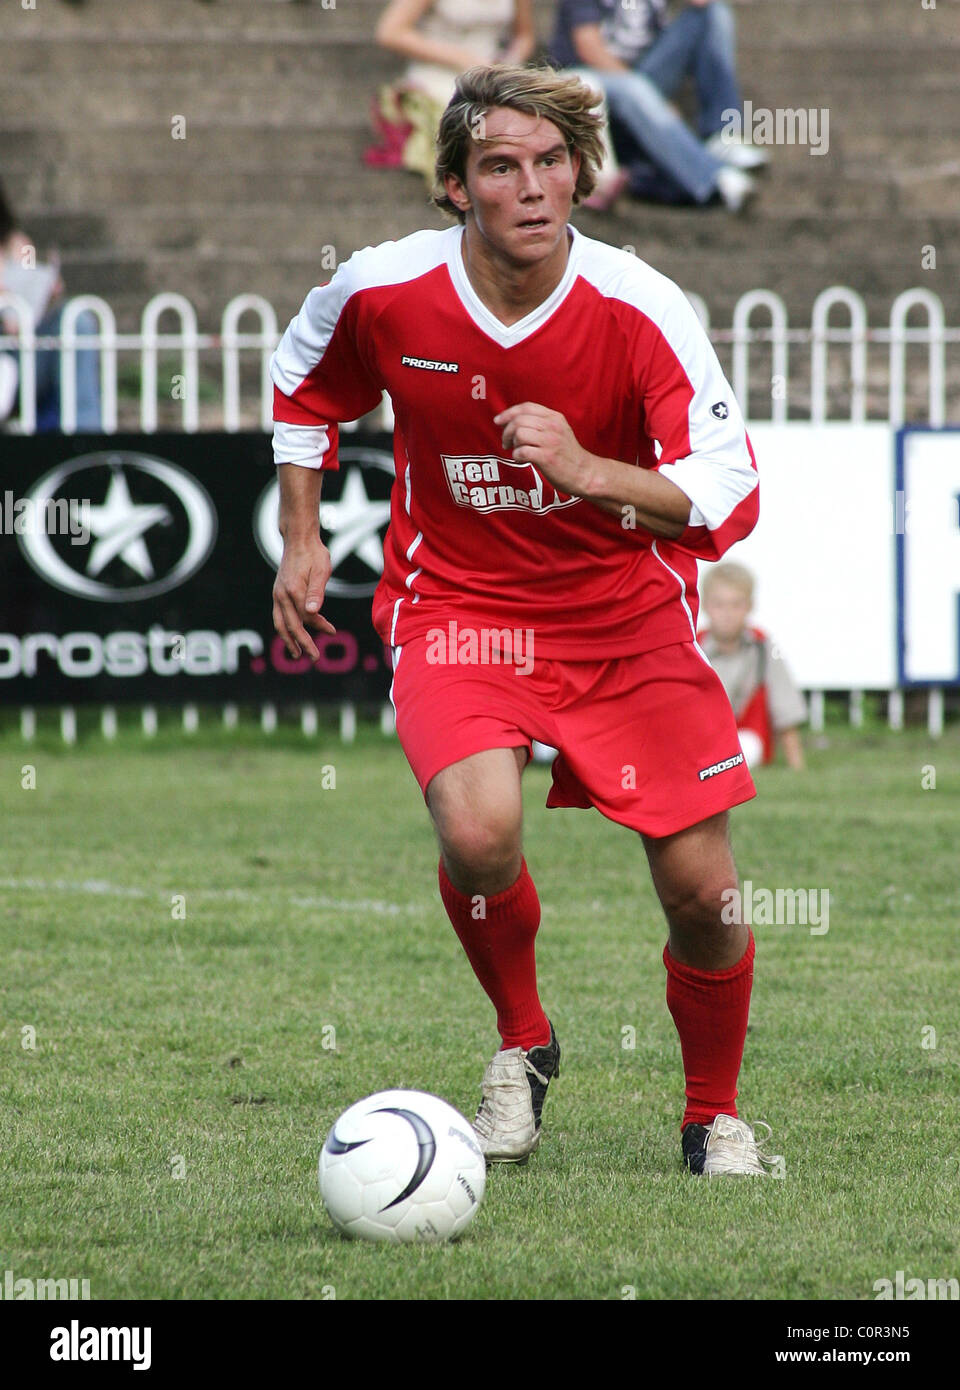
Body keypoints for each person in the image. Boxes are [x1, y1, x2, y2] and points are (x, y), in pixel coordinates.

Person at [270, 64, 781, 1178]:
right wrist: (301, 535)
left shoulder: (639, 302)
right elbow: (302, 379)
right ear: (455, 185)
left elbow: (730, 485)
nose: (534, 187)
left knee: (703, 889)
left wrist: (593, 468)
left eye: (554, 163)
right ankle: (520, 1043)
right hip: (457, 601)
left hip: (620, 615)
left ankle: (714, 1114)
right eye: (502, 165)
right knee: (477, 828)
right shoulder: (383, 289)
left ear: (582, 179)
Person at [549, 0, 767, 212]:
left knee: (712, 13)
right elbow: (589, 48)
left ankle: (722, 136)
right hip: (593, 82)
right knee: (634, 88)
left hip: (644, 76)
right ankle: (715, 177)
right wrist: (650, 93)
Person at [368, 0, 535, 184]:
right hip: (437, 73)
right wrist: (465, 60)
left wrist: (509, 63)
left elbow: (524, 35)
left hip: (493, 75)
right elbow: (390, 32)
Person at [0, 182, 101, 432]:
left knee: (77, 321)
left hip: (19, 352)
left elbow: (29, 300)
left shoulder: (16, 245)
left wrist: (46, 293)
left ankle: (86, 436)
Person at [699, 562, 806, 771]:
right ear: (704, 606)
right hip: (704, 739)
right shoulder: (694, 648)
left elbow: (785, 709)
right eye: (719, 605)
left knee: (749, 746)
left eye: (736, 605)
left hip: (748, 739)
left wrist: (797, 766)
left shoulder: (764, 648)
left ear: (750, 606)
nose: (727, 614)